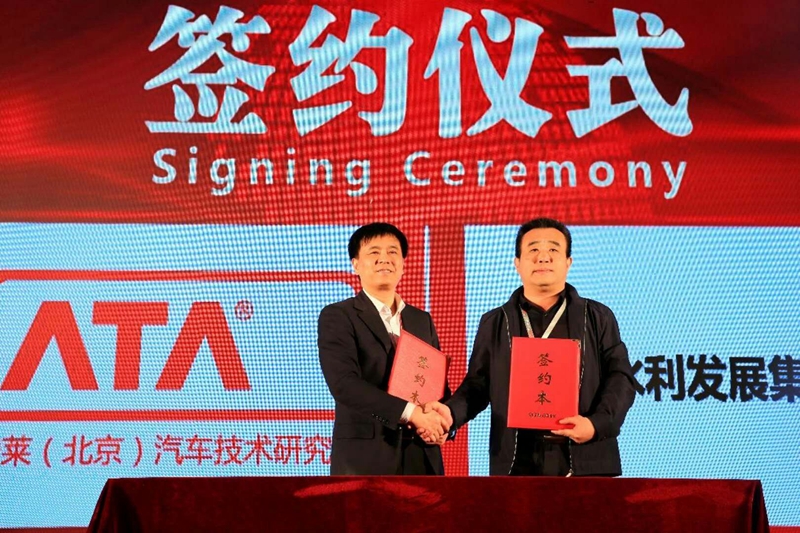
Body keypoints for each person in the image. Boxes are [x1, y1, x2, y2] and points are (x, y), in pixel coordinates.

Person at [425, 217, 635, 476]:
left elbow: (621, 378)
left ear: (568, 262)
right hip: (515, 464)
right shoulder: (495, 322)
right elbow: (477, 386)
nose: (543, 257)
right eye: (533, 249)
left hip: (586, 460)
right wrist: (450, 413)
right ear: (517, 263)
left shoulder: (597, 317)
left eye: (553, 249)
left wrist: (596, 425)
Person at [318, 223, 450, 475]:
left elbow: (437, 384)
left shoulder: (422, 320)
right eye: (374, 252)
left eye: (392, 252)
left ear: (403, 264)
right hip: (365, 460)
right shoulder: (339, 315)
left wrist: (442, 424)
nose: (384, 259)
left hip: (422, 456)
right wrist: (411, 413)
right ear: (356, 264)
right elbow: (344, 384)